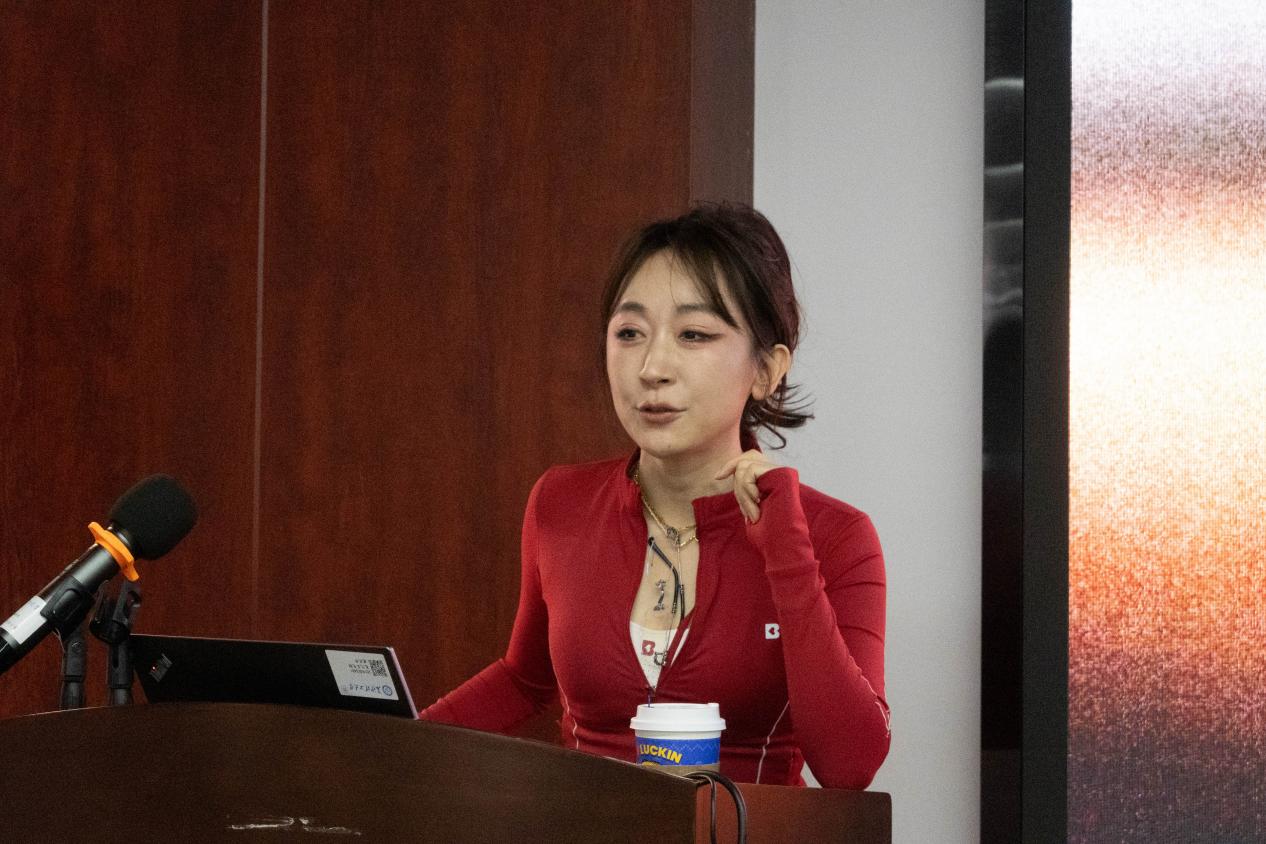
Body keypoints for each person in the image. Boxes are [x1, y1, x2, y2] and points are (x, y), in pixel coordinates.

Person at [420, 203, 889, 789]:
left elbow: (849, 766)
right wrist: (385, 744)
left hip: (749, 829)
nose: (652, 367)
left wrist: (787, 552)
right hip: (586, 828)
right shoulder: (559, 502)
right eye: (630, 333)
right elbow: (525, 680)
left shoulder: (835, 535)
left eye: (694, 334)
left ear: (767, 370)